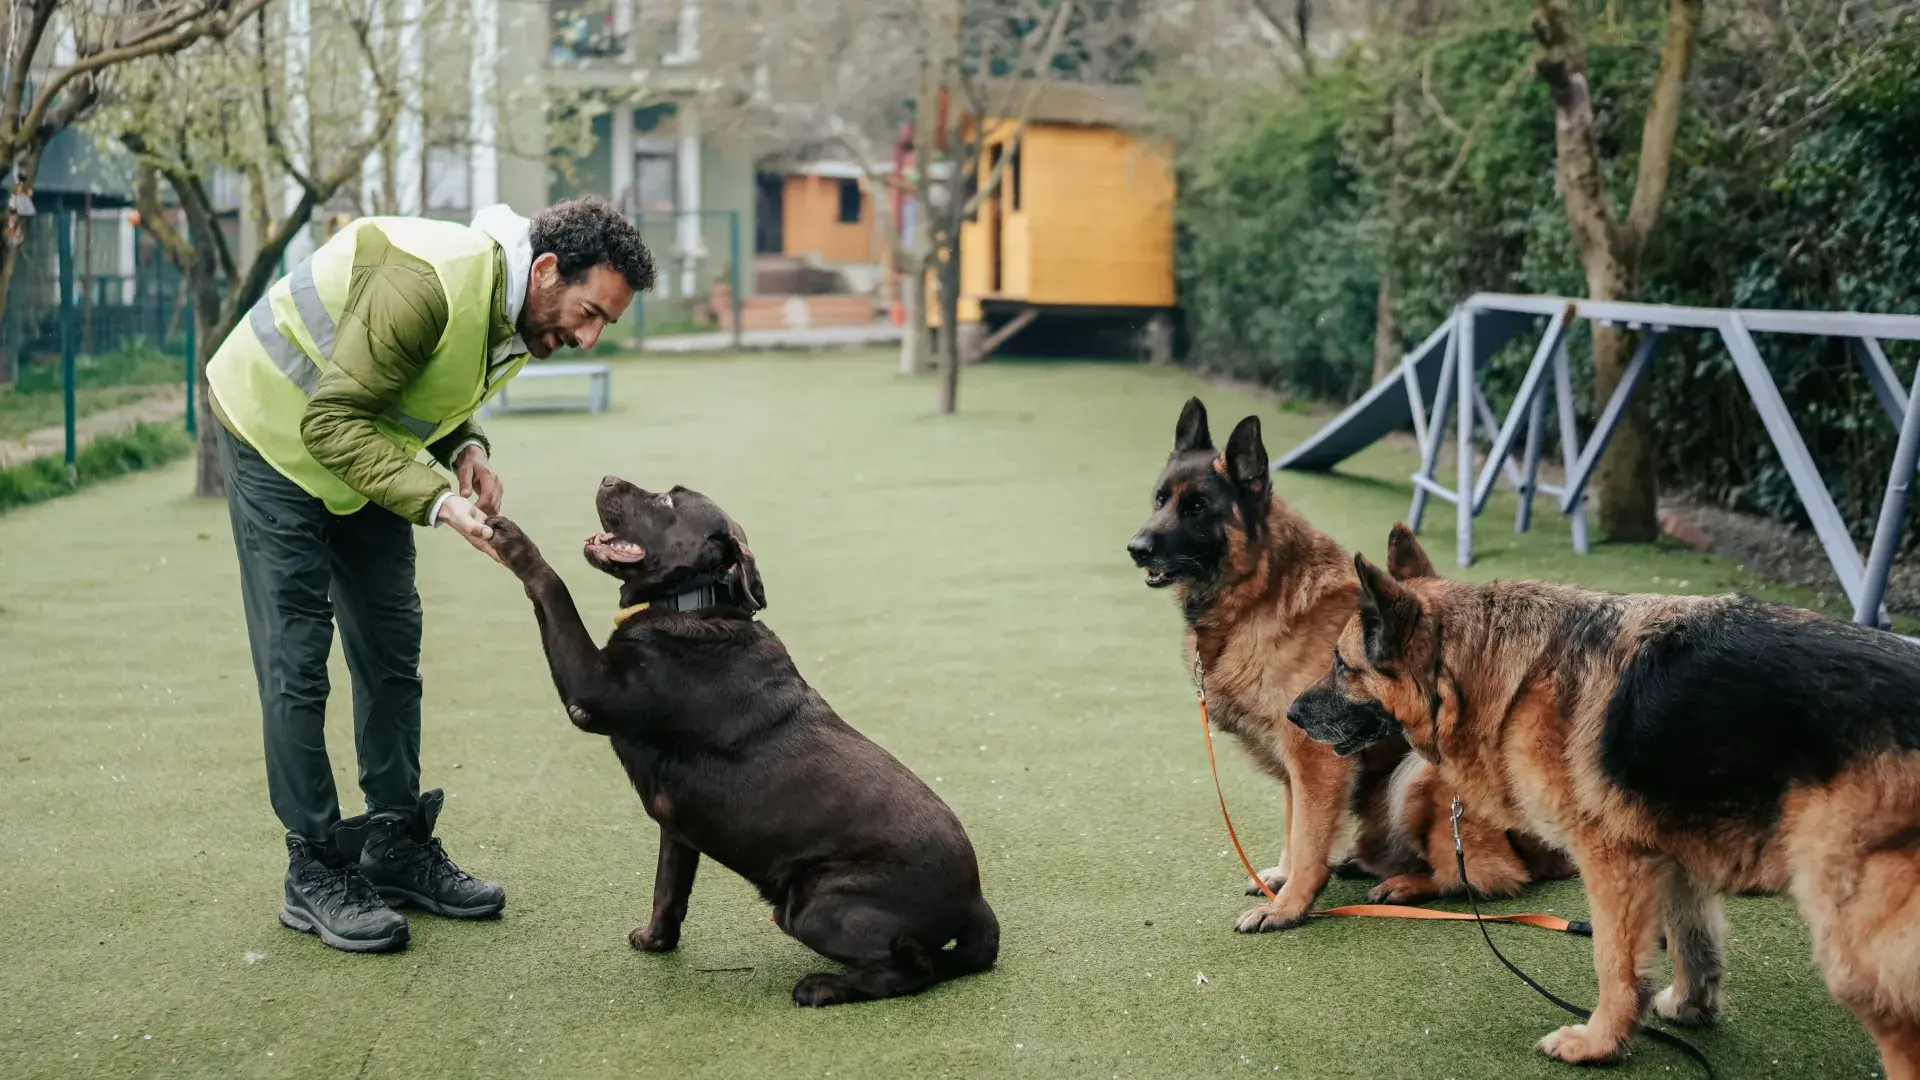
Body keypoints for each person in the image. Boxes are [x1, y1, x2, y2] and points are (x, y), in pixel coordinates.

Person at [207, 196, 655, 952]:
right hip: (276, 434)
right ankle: (313, 867)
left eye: (603, 322)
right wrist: (441, 503)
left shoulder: (519, 310)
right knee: (297, 658)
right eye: (587, 313)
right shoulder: (430, 283)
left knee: (390, 642)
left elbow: (431, 388)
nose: (587, 336)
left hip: (363, 445)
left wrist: (465, 447)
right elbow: (327, 421)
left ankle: (394, 842)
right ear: (545, 270)